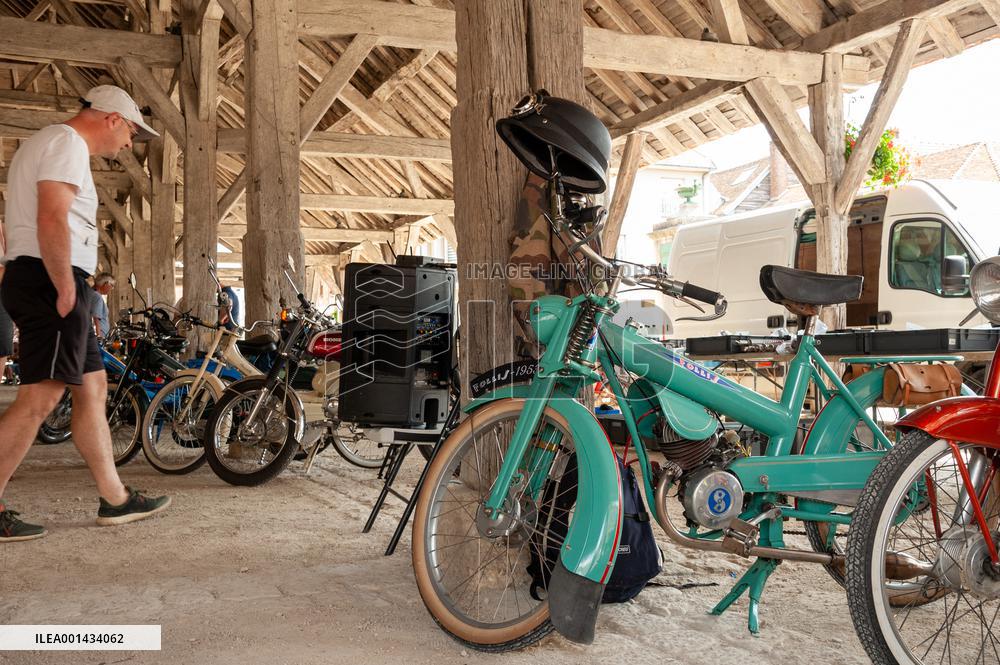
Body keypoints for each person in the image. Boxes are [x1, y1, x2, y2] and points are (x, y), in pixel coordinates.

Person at [0, 85, 170, 542]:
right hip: (49, 278)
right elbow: (52, 217)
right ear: (112, 118)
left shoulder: (53, 143)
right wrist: (65, 289)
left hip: (50, 276)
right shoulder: (66, 143)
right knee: (41, 399)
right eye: (131, 131)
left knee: (92, 388)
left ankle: (115, 499)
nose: (128, 143)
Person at [88, 272, 114, 338]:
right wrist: (99, 337)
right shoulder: (97, 296)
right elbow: (96, 318)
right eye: (112, 285)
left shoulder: (93, 294)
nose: (112, 288)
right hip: (100, 336)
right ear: (106, 284)